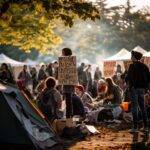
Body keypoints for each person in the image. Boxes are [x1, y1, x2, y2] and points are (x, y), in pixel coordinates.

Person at [125, 51, 150, 132]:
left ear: (134, 57)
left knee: (134, 108)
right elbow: (148, 78)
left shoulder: (132, 66)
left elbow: (128, 77)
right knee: (143, 108)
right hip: (142, 89)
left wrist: (129, 85)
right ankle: (146, 127)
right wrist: (146, 88)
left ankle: (135, 127)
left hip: (134, 89)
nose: (130, 57)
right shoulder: (144, 66)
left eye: (131, 56)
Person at [61, 48, 75, 118]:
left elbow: (72, 73)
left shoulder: (69, 61)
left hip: (69, 84)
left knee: (68, 101)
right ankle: (69, 116)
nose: (62, 54)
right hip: (68, 83)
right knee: (68, 101)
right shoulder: (68, 61)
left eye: (62, 52)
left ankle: (69, 117)